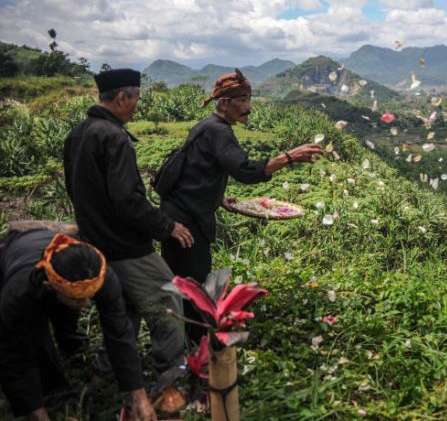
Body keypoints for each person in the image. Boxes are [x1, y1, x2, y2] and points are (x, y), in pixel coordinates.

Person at [159, 69, 323, 341]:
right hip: (185, 222)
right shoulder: (218, 131)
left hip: (185, 213)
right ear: (224, 103)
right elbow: (246, 172)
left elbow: (195, 171)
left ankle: (189, 340)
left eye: (249, 99)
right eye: (242, 100)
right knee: (192, 286)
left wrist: (218, 198)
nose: (248, 107)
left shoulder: (207, 126)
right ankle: (192, 346)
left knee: (189, 282)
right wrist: (288, 157)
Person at [63, 69, 193, 397]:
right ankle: (172, 380)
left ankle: (107, 376)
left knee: (122, 309)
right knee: (167, 299)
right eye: (135, 98)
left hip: (96, 242)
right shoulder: (114, 137)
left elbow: (73, 190)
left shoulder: (78, 134)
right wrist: (167, 226)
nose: (136, 106)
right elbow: (128, 201)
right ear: (122, 97)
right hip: (126, 246)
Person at [0, 229, 156, 421]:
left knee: (67, 315)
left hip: (63, 265)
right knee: (33, 338)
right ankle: (50, 390)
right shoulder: (18, 293)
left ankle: (70, 348)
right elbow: (14, 354)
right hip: (18, 252)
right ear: (51, 286)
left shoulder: (101, 275)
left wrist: (138, 395)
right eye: (78, 300)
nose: (86, 304)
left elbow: (119, 333)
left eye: (89, 297)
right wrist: (36, 413)